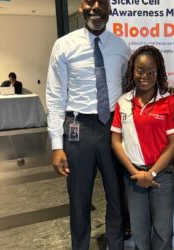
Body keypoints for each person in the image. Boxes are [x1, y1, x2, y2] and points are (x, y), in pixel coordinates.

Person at [46, 0, 131, 249]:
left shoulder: (122, 47)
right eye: (89, 1)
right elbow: (55, 95)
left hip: (113, 130)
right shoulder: (64, 45)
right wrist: (56, 145)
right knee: (79, 199)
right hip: (77, 129)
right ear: (81, 5)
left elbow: (128, 90)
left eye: (101, 2)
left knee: (116, 198)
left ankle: (116, 246)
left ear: (109, 8)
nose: (95, 8)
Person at [111, 45, 174, 250]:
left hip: (162, 176)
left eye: (151, 71)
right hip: (133, 177)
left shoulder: (168, 102)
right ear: (132, 71)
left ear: (159, 73)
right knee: (140, 232)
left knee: (162, 231)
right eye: (140, 70)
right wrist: (136, 173)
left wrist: (152, 173)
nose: (145, 76)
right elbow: (115, 141)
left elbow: (173, 143)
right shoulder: (123, 102)